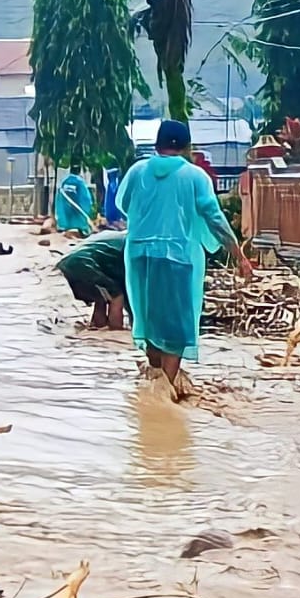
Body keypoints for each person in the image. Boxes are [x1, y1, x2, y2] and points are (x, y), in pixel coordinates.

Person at [117, 120, 253, 396]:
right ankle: (164, 390)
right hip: (176, 256)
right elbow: (214, 218)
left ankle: (155, 382)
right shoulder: (194, 176)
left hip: (138, 255)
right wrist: (238, 254)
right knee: (176, 325)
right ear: (188, 147)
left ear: (157, 145)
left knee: (149, 319)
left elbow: (123, 204)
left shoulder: (136, 171)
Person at [55, 230, 130, 330]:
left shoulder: (116, 236)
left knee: (101, 296)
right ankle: (115, 329)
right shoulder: (131, 243)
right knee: (117, 296)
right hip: (84, 263)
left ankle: (98, 326)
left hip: (68, 261)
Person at [54, 165, 94, 236]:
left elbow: (59, 199)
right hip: (77, 214)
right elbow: (85, 198)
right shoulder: (80, 182)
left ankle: (66, 227)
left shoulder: (65, 181)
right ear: (79, 171)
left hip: (66, 214)